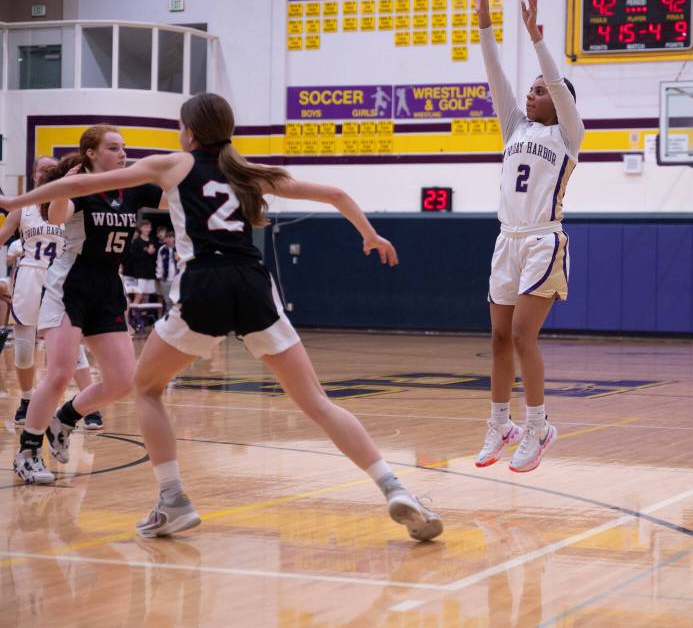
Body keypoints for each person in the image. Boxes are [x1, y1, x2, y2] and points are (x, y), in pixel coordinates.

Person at [0, 93, 443, 542]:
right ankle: (393, 485)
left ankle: (172, 500)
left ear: (189, 132)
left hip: (205, 285)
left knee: (146, 388)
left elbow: (74, 188)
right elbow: (336, 194)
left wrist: (16, 199)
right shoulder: (249, 173)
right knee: (317, 403)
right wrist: (370, 234)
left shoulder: (173, 165)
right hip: (253, 283)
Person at [472, 0, 584, 472]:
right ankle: (501, 423)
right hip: (507, 240)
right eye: (532, 89)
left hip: (543, 239)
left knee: (522, 335)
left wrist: (538, 40)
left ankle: (539, 427)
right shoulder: (515, 127)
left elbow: (558, 86)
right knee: (497, 339)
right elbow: (495, 73)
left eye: (541, 90)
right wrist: (485, 24)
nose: (533, 93)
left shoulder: (569, 134)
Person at [11, 126, 163, 485]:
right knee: (60, 372)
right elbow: (56, 217)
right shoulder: (81, 186)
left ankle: (66, 416)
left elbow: (175, 197)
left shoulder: (135, 186)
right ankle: (28, 451)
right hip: (70, 284)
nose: (122, 153)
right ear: (92, 153)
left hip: (108, 286)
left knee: (123, 381)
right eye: (113, 148)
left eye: (124, 147)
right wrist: (66, 186)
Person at [0, 157, 94, 427]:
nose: (46, 172)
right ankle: (26, 400)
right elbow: (3, 236)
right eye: (42, 168)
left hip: (61, 278)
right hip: (29, 276)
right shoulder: (24, 206)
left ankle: (87, 404)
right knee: (24, 350)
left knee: (71, 343)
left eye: (52, 169)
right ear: (34, 173)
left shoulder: (69, 204)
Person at [155, 231, 179, 307]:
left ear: (174, 238)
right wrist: (159, 275)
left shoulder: (178, 249)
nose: (169, 239)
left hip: (176, 278)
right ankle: (168, 316)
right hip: (165, 278)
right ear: (164, 239)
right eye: (167, 238)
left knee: (176, 300)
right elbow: (159, 262)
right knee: (167, 301)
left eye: (170, 237)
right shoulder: (161, 249)